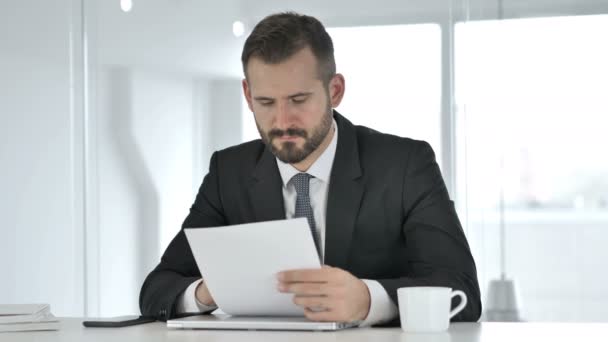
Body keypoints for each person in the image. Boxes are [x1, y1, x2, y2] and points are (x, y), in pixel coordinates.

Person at [139, 12, 481, 327]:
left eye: (299, 100)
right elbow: (157, 289)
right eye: (266, 103)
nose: (283, 121)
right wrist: (208, 292)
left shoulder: (405, 165)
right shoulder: (228, 172)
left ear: (335, 90)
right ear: (247, 94)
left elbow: (462, 291)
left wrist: (368, 299)